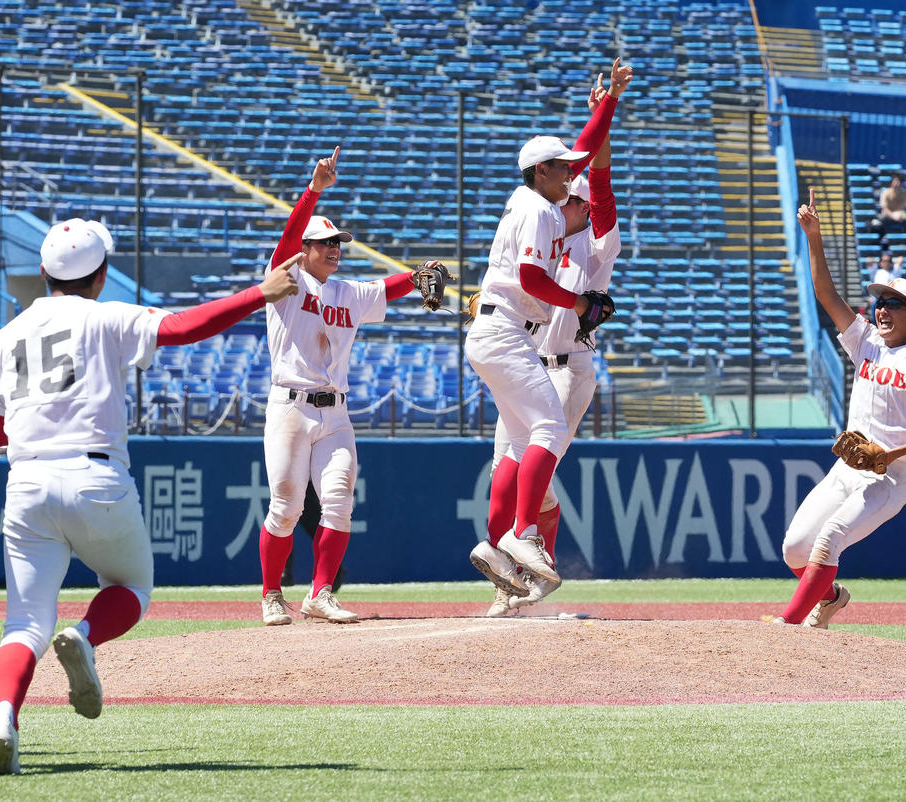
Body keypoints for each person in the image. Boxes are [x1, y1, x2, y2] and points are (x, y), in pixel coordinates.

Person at [0, 217, 298, 774]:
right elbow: (182, 328)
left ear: (47, 273)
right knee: (132, 587)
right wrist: (258, 292)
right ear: (100, 275)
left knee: (24, 623)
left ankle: (2, 718)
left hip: (25, 482)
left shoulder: (7, 335)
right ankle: (84, 634)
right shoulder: (104, 317)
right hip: (96, 477)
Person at [465, 58, 632, 600]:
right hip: (520, 347)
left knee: (532, 453)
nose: (576, 191)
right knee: (511, 459)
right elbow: (531, 278)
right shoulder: (546, 214)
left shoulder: (596, 239)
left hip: (562, 363)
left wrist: (607, 110)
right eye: (568, 182)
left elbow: (597, 177)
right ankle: (515, 554)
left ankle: (522, 548)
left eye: (580, 192)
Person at [769, 189, 906, 629]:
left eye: (894, 304)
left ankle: (790, 624)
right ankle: (832, 598)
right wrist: (814, 237)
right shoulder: (866, 343)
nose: (883, 309)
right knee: (795, 548)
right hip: (848, 469)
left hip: (891, 477)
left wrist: (890, 455)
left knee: (830, 538)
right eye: (881, 302)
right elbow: (825, 293)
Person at [255, 147, 428, 627]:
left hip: (335, 414)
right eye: (325, 242)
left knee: (339, 498)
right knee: (286, 505)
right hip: (290, 406)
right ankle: (272, 595)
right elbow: (288, 237)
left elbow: (383, 289)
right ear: (304, 250)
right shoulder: (288, 284)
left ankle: (320, 593)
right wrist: (314, 193)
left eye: (338, 243)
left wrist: (416, 278)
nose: (334, 248)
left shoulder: (346, 293)